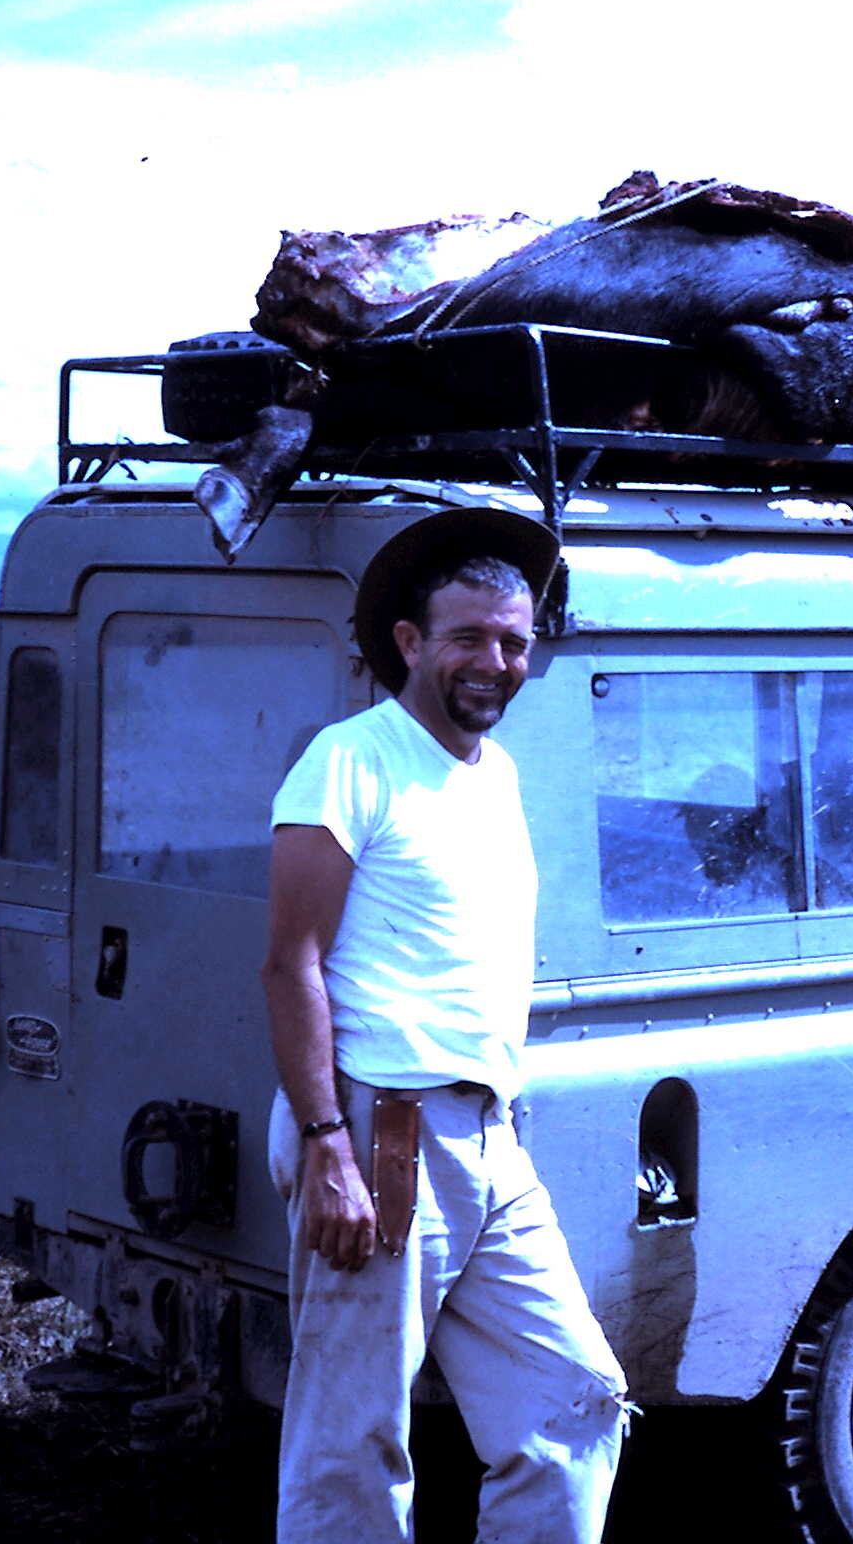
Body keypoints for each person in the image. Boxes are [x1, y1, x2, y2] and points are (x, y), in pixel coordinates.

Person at [260, 505, 628, 1544]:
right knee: (354, 1445)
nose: (495, 662)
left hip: (485, 1138)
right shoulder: (352, 760)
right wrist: (329, 1145)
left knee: (577, 1402)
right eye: (468, 637)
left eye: (514, 641)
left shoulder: (494, 774)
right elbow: (290, 964)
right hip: (383, 1135)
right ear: (411, 643)